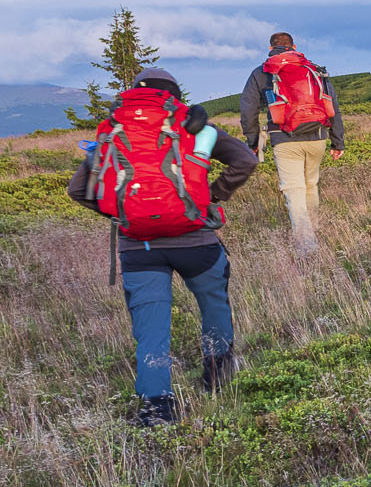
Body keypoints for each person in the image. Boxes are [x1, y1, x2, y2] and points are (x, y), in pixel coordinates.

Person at [68, 66, 258, 426]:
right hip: (196, 241)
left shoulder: (113, 131)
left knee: (151, 327)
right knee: (214, 306)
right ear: (174, 95)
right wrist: (212, 196)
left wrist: (122, 213)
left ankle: (157, 408)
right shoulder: (195, 126)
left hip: (139, 247)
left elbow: (77, 190)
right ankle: (217, 380)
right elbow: (246, 161)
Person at [239, 31, 344, 255]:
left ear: (270, 49)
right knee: (310, 185)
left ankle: (307, 245)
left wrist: (253, 140)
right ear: (294, 47)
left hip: (284, 138)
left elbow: (248, 109)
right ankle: (313, 230)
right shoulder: (315, 69)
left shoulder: (261, 72)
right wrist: (338, 142)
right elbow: (332, 104)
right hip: (317, 136)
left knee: (293, 190)